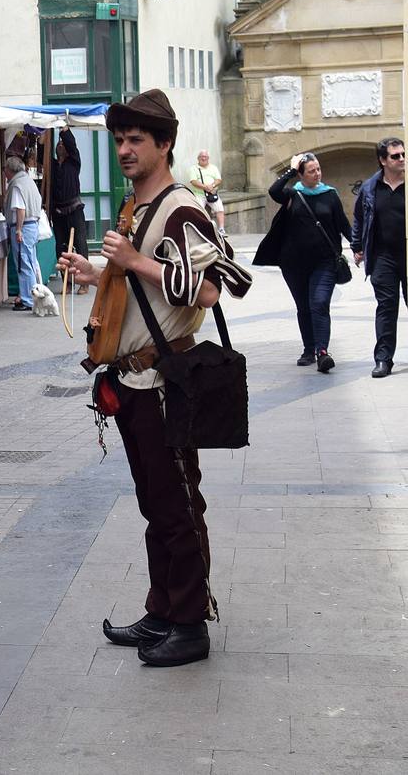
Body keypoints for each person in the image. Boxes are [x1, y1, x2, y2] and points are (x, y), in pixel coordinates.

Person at [59, 89, 252, 667]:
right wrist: (97, 274)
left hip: (165, 385)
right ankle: (163, 609)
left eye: (136, 140)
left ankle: (190, 623)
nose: (124, 149)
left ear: (164, 144)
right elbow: (142, 291)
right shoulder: (136, 208)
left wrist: (136, 262)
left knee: (177, 505)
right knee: (155, 504)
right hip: (132, 385)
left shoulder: (180, 206)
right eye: (119, 140)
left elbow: (221, 285)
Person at [254, 152, 352, 372]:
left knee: (319, 303)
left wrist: (357, 247)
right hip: (293, 264)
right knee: (304, 307)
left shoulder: (330, 195)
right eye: (311, 170)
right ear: (301, 174)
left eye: (318, 169)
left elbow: (343, 225)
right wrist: (290, 168)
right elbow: (273, 190)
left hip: (325, 261)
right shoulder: (292, 195)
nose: (317, 174)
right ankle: (309, 349)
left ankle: (322, 351)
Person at [351, 137, 407, 377]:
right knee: (386, 307)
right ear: (383, 160)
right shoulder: (371, 188)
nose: (402, 159)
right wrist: (357, 246)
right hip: (383, 256)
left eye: (403, 154)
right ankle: (384, 359)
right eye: (396, 156)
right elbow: (359, 218)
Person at [50, 129, 89, 295]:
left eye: (62, 143)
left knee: (80, 245)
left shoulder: (73, 162)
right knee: (61, 247)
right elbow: (41, 156)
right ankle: (67, 282)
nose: (60, 145)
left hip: (74, 209)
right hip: (58, 212)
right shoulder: (51, 165)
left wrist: (64, 131)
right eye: (58, 144)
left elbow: (72, 146)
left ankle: (84, 283)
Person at [4, 155, 42, 311]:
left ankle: (28, 300)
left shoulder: (17, 185)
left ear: (9, 170)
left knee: (23, 264)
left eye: (5, 169)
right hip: (32, 226)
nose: (4, 173)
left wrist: (18, 229)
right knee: (30, 262)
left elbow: (20, 209)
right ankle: (31, 297)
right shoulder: (29, 181)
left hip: (23, 227)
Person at [187, 150, 226, 237]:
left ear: (208, 158)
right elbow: (193, 181)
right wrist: (205, 187)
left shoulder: (213, 168)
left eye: (205, 157)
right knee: (198, 211)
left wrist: (212, 186)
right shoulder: (194, 168)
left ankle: (221, 229)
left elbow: (218, 179)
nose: (203, 158)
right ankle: (200, 231)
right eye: (202, 157)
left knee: (220, 209)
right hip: (199, 194)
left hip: (212, 194)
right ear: (198, 158)